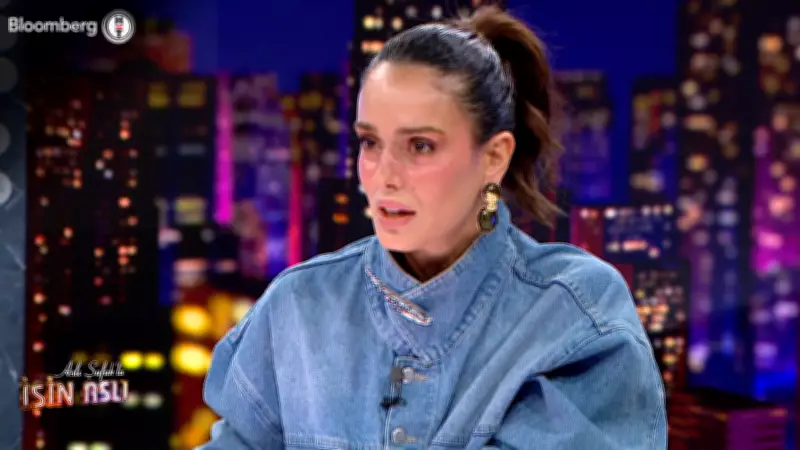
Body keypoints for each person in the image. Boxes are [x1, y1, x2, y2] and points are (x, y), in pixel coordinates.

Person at [198, 6, 667, 449]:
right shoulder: (297, 307)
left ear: (495, 156)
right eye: (370, 143)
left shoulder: (575, 315)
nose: (384, 175)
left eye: (420, 146)